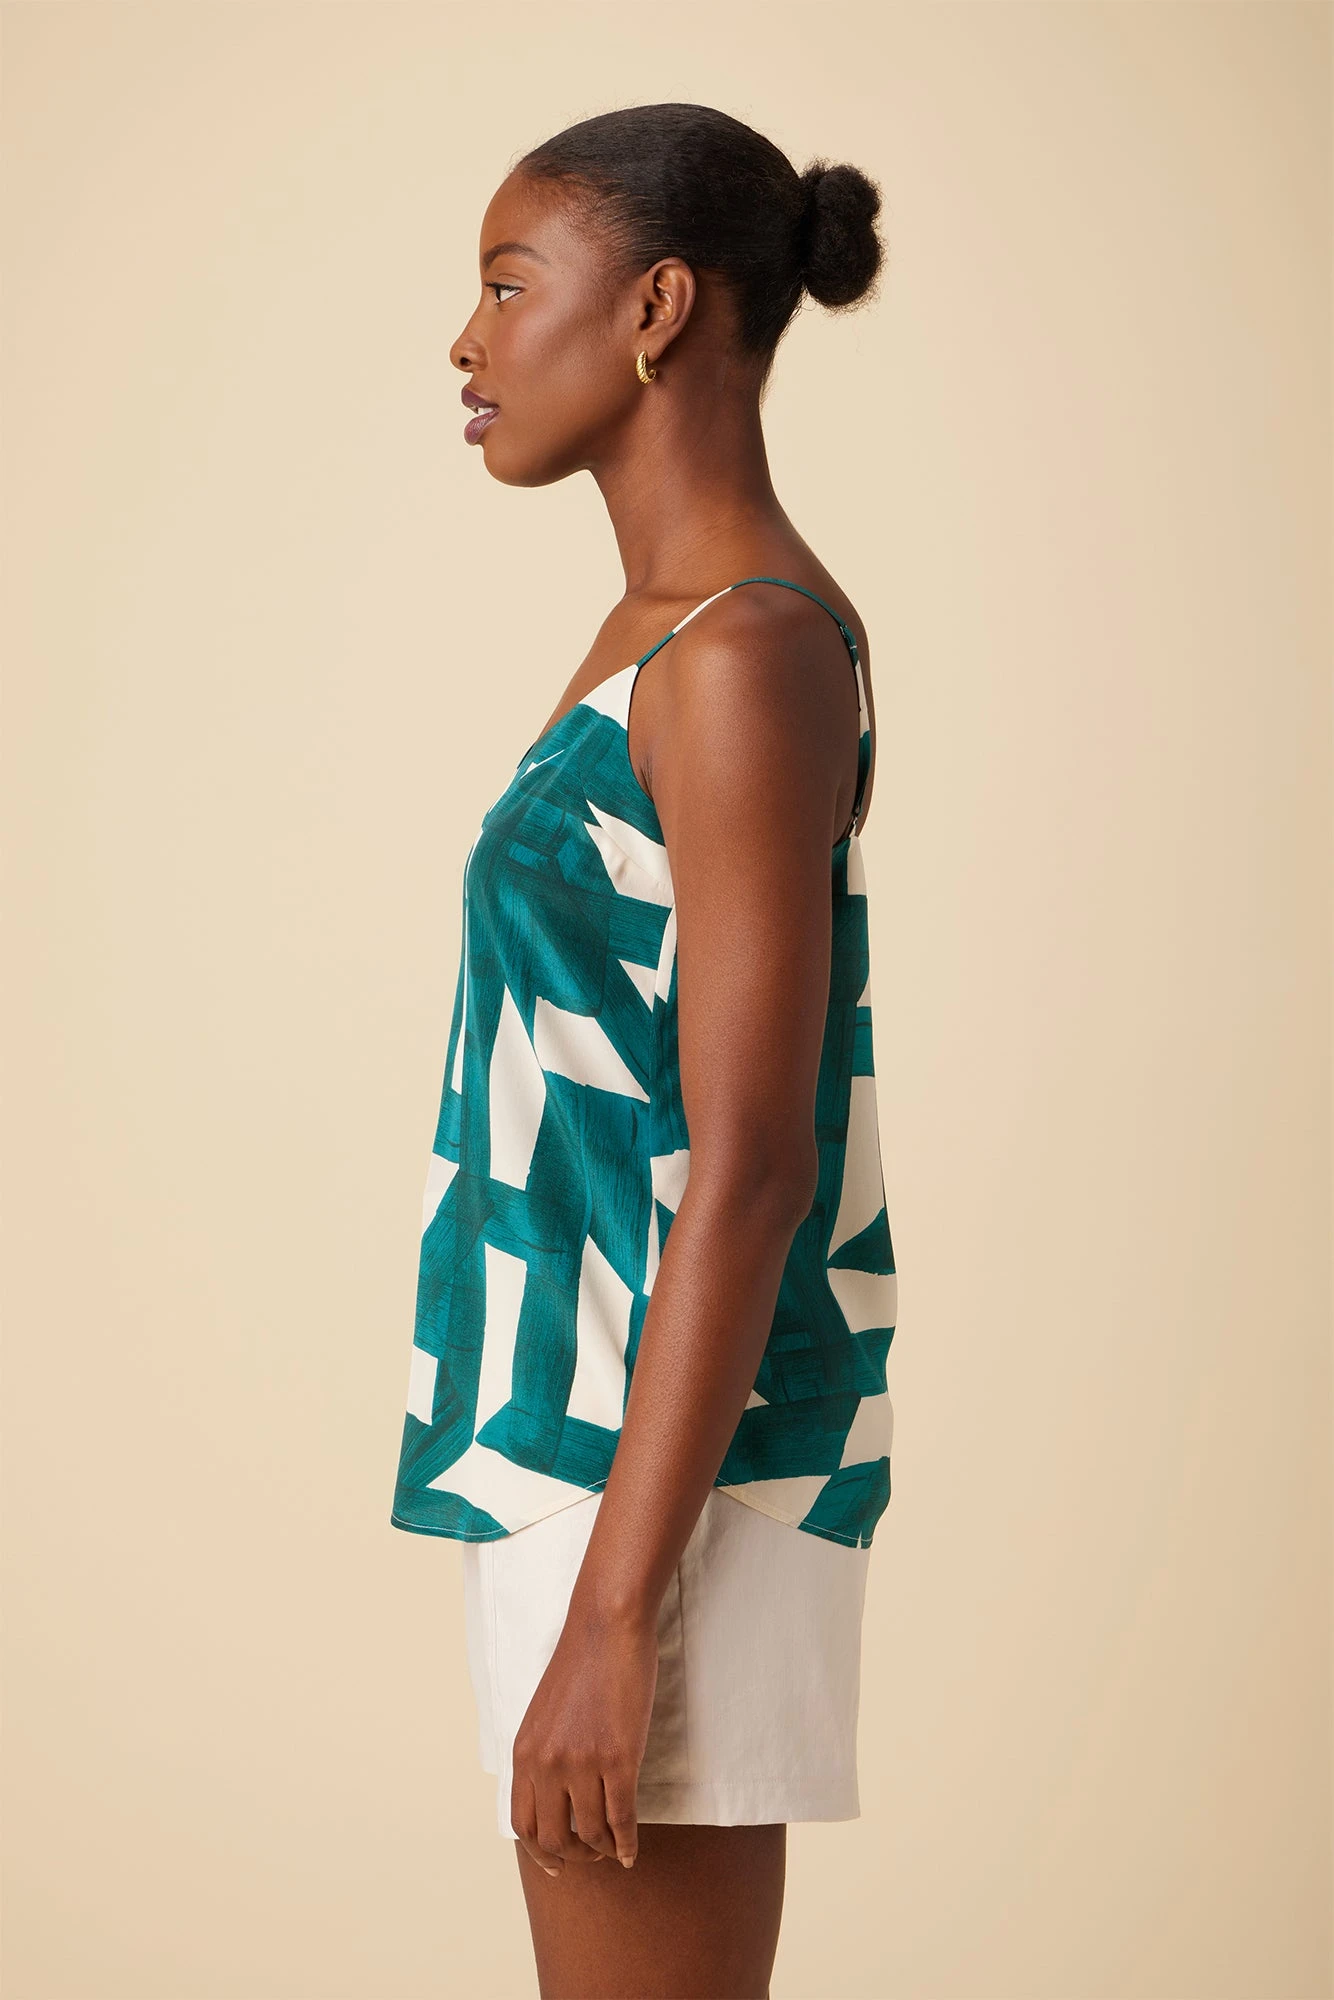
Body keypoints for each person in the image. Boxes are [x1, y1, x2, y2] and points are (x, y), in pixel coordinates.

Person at [390, 101, 898, 2000]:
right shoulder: (664, 633)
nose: (467, 340)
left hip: (658, 1481)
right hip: (582, 1442)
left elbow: (752, 1165)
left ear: (658, 307)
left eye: (510, 285)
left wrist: (617, 1618)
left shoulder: (742, 653)